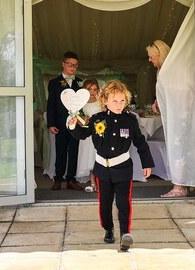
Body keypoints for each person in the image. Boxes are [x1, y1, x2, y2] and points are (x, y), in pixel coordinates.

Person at [68, 80, 154, 252]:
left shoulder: (130, 120)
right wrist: (72, 126)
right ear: (105, 100)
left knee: (124, 203)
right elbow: (82, 134)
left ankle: (125, 234)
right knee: (105, 204)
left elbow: (140, 142)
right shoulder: (97, 119)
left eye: (122, 100)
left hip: (123, 168)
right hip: (102, 170)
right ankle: (108, 229)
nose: (119, 104)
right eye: (115, 101)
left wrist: (147, 163)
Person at [146, 39, 189, 198]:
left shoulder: (173, 69)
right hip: (172, 116)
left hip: (180, 116)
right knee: (175, 147)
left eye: (151, 56)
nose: (149, 60)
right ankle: (181, 184)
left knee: (178, 147)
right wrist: (158, 102)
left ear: (160, 55)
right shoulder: (162, 70)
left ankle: (179, 187)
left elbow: (181, 91)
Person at [47, 51, 83, 190]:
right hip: (60, 123)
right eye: (70, 64)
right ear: (63, 64)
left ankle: (71, 179)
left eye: (75, 65)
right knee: (60, 150)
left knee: (74, 151)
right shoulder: (54, 83)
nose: (73, 67)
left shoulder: (79, 82)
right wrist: (51, 123)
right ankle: (58, 179)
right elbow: (51, 104)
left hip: (76, 123)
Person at [77, 78, 102, 192]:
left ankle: (102, 183)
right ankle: (92, 183)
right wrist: (84, 121)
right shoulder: (81, 104)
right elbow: (80, 121)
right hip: (88, 135)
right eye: (89, 89)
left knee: (99, 157)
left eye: (94, 89)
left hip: (100, 132)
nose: (92, 92)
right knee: (90, 159)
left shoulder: (101, 101)